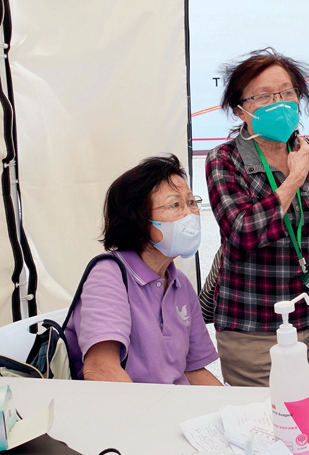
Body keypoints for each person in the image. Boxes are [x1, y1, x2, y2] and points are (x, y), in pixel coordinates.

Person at [206, 48, 309, 388]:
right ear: (240, 110)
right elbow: (242, 233)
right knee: (261, 416)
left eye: (286, 93)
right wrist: (293, 179)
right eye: (263, 96)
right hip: (254, 326)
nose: (278, 103)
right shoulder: (224, 160)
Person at [64, 155, 221, 385]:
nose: (190, 215)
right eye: (175, 205)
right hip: (130, 405)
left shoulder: (180, 283)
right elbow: (101, 369)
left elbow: (194, 371)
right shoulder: (108, 275)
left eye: (191, 202)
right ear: (138, 219)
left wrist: (234, 406)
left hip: (176, 404)